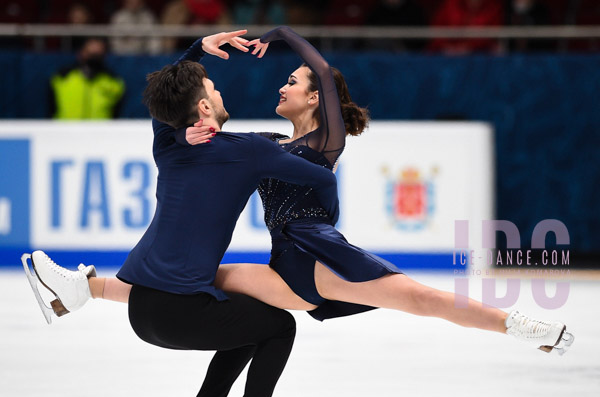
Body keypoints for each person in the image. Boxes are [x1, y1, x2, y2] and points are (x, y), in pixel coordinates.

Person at [33, 27, 573, 357]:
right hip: (283, 261)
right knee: (186, 281)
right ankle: (84, 289)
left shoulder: (324, 141)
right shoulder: (267, 142)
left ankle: (521, 326)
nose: (282, 85)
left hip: (316, 253)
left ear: (315, 100)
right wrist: (190, 132)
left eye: (292, 82)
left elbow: (320, 86)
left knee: (420, 299)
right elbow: (229, 145)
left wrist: (283, 33)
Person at [26, 29, 342, 397]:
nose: (218, 88)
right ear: (205, 108)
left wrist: (196, 50)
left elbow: (166, 98)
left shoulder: (165, 141)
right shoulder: (249, 150)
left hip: (142, 310)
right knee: (279, 327)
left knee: (252, 318)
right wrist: (322, 225)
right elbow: (324, 178)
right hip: (182, 311)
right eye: (212, 88)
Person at [49, 37, 125, 119]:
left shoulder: (114, 82)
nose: (93, 59)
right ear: (81, 53)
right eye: (90, 54)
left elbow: (117, 114)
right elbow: (51, 109)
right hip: (64, 130)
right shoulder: (62, 77)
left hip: (101, 131)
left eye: (97, 55)